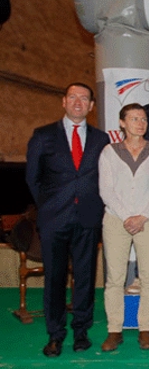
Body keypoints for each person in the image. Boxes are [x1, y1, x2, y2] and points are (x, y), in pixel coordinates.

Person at [25, 83, 110, 357]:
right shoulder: (43, 136)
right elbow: (32, 178)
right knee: (55, 279)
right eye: (73, 97)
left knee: (85, 278)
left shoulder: (101, 140)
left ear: (91, 106)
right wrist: (50, 207)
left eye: (84, 98)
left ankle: (81, 332)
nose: (78, 102)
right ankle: (55, 334)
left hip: (88, 217)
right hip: (54, 219)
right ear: (63, 102)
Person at [98, 103, 149, 352]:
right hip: (116, 219)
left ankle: (145, 330)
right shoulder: (109, 152)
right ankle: (114, 330)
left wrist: (143, 216)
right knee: (115, 278)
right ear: (122, 123)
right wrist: (128, 217)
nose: (140, 123)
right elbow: (106, 190)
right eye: (134, 118)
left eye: (144, 119)